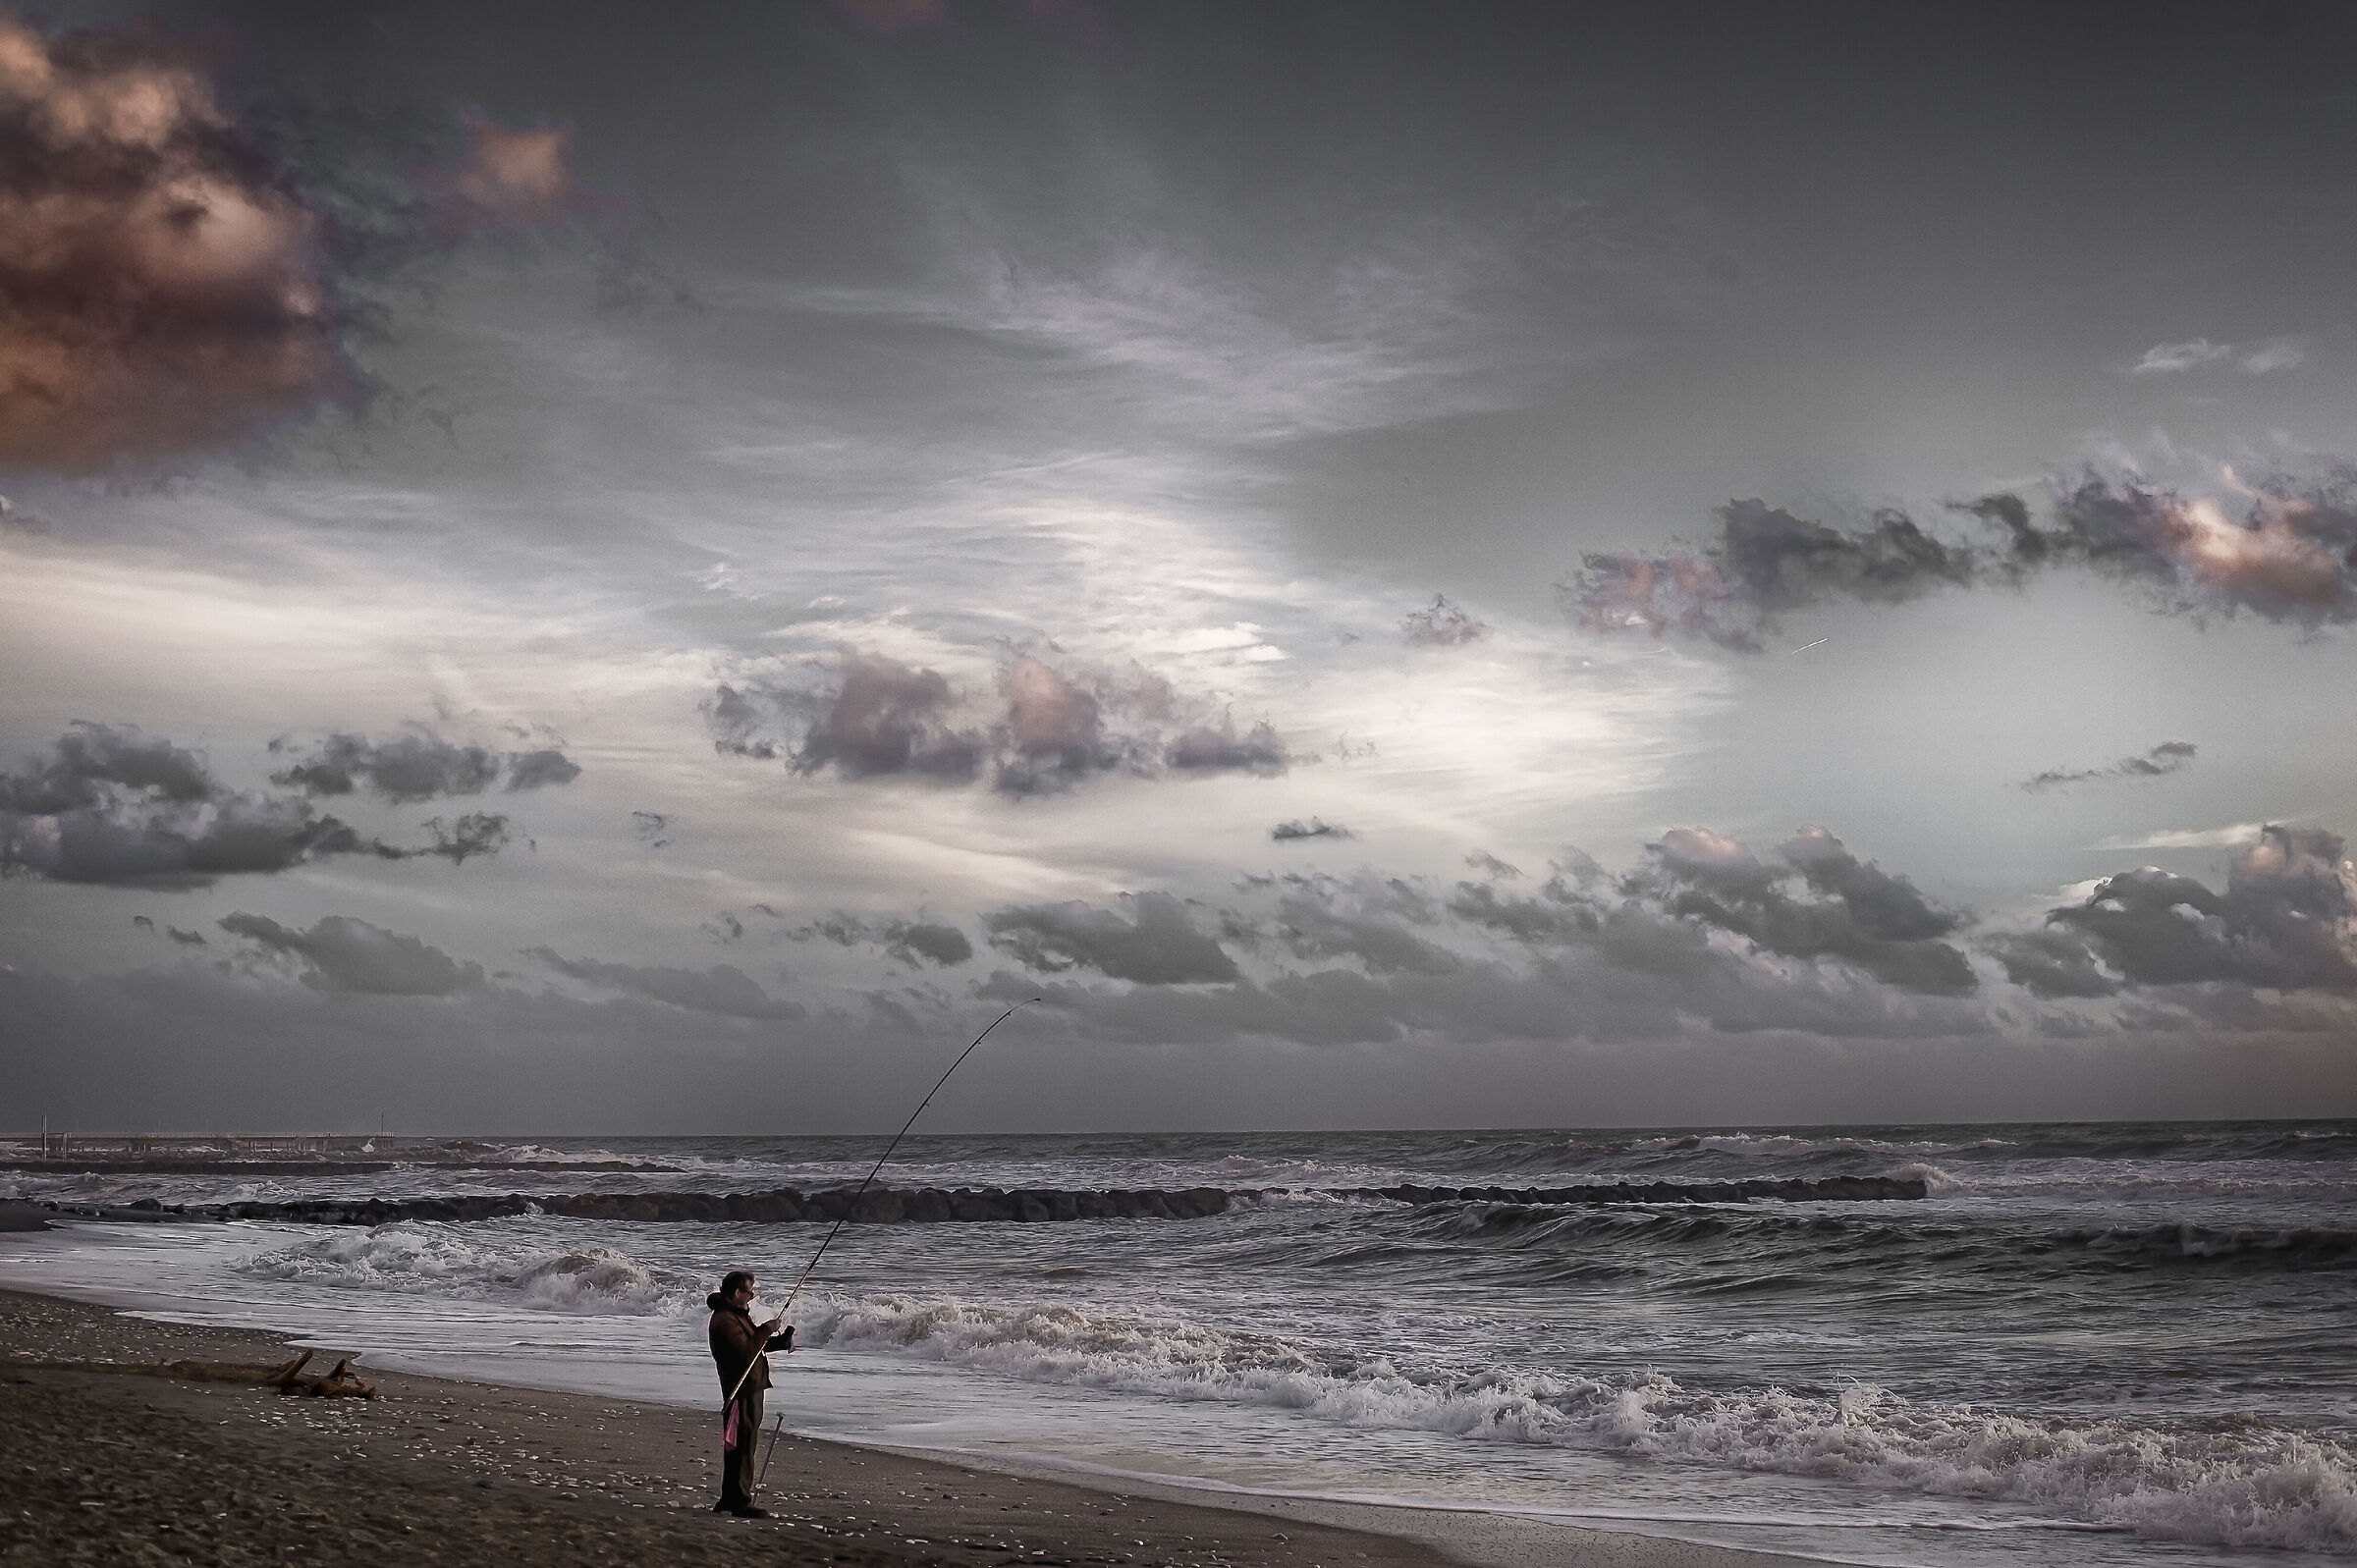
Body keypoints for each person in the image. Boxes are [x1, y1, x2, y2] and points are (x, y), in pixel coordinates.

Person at [706, 1269, 793, 1516]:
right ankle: (739, 1502)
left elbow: (754, 1344)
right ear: (736, 1292)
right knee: (742, 1446)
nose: (752, 1296)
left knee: (740, 1445)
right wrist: (766, 1329)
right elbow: (745, 1354)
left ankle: (728, 1498)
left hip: (749, 1388)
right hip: (740, 1390)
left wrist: (780, 1341)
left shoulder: (735, 1315)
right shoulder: (724, 1320)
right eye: (749, 1292)